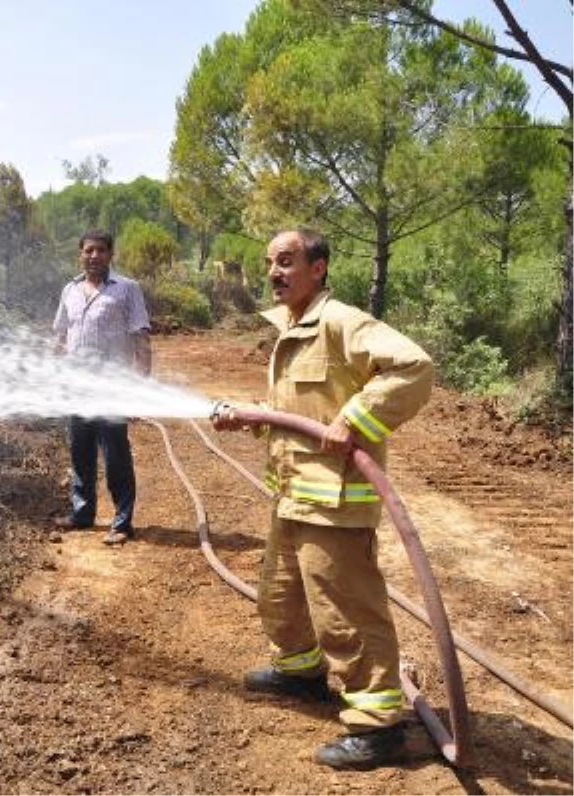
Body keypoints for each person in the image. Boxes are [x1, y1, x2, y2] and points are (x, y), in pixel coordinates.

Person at [212, 228, 434, 769]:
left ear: (319, 268)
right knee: (281, 595)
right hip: (293, 494)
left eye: (287, 262)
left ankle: (379, 727)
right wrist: (254, 416)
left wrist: (355, 419)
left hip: (335, 500)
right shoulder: (292, 327)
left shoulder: (341, 322)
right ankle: (300, 672)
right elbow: (299, 409)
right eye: (270, 263)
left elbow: (414, 367)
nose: (274, 273)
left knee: (347, 614)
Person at [52, 229, 152, 546]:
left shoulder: (127, 289)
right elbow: (60, 336)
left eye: (101, 251)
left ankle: (122, 522)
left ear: (111, 255)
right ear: (80, 254)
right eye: (89, 251)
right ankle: (82, 514)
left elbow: (141, 338)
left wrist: (141, 383)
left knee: (116, 456)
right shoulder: (69, 290)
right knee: (81, 454)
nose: (94, 256)